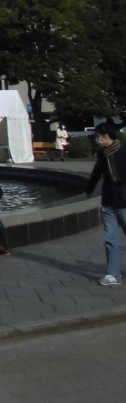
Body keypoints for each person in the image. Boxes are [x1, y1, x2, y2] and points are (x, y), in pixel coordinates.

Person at [85, 121, 126, 286]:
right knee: (110, 239)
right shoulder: (102, 154)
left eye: (99, 136)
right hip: (108, 200)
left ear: (106, 135)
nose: (97, 139)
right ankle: (113, 274)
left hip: (124, 200)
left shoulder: (123, 151)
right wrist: (89, 189)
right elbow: (97, 172)